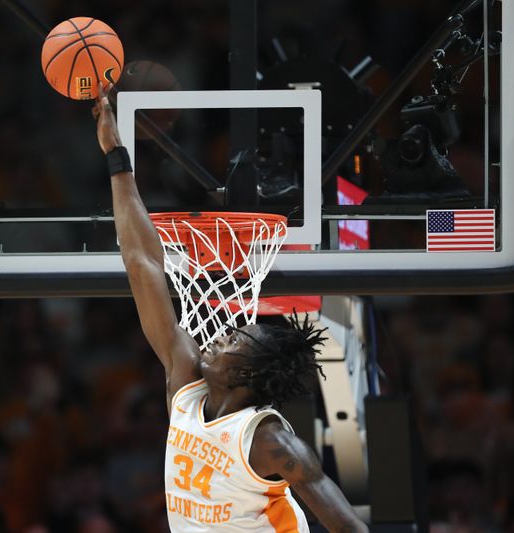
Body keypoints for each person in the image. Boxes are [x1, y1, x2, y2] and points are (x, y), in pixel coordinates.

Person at [93, 85, 368, 533]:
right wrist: (116, 155)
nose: (221, 332)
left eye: (235, 339)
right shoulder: (185, 387)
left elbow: (350, 528)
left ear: (246, 375)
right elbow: (142, 264)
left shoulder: (269, 440)